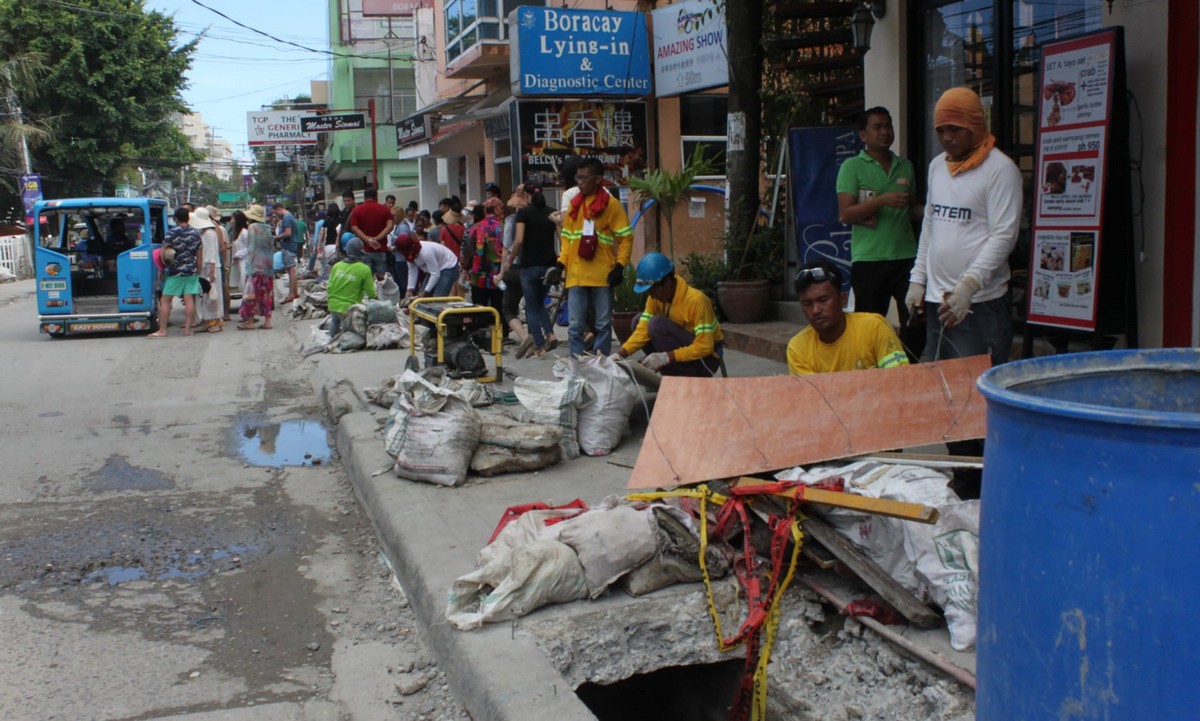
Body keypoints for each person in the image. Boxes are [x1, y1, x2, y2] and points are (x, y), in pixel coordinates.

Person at [905, 86, 1023, 366]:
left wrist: (969, 286)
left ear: (975, 125)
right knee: (943, 389)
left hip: (980, 304)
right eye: (940, 130)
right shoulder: (937, 167)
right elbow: (931, 225)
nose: (946, 137)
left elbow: (1004, 235)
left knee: (976, 392)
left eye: (955, 129)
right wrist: (918, 279)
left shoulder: (1000, 170)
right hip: (937, 302)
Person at [836, 106, 923, 358]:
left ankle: (908, 368)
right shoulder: (852, 167)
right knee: (869, 325)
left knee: (916, 321)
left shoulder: (905, 166)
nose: (885, 131)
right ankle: (872, 371)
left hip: (907, 256)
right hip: (869, 260)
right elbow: (846, 214)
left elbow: (912, 207)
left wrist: (932, 213)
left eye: (889, 125)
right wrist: (881, 201)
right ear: (863, 135)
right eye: (878, 127)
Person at [546, 157, 633, 357]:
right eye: (578, 177)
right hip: (576, 275)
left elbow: (626, 238)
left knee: (603, 324)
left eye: (584, 178)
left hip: (602, 275)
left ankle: (600, 363)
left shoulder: (611, 206)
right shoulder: (575, 206)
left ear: (597, 179)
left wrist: (620, 265)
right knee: (575, 326)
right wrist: (560, 265)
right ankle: (576, 365)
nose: (579, 182)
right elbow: (567, 239)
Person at [612, 253, 725, 376]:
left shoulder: (696, 301)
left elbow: (705, 346)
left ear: (666, 281)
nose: (651, 295)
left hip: (706, 360)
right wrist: (619, 354)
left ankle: (681, 378)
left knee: (656, 324)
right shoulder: (654, 299)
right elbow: (642, 329)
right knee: (638, 321)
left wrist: (668, 357)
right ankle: (669, 372)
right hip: (684, 353)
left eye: (653, 290)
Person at [787, 263, 909, 375]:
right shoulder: (797, 348)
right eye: (807, 303)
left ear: (843, 299)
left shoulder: (874, 327)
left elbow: (899, 380)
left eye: (823, 300)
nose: (816, 310)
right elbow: (811, 396)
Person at [501, 182, 561, 358]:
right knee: (540, 302)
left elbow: (519, 240)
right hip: (549, 264)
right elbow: (561, 237)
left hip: (529, 267)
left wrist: (510, 259)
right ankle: (550, 334)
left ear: (526, 195)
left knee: (531, 307)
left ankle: (540, 345)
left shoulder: (524, 214)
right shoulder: (552, 212)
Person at [148, 206, 202, 338]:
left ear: (176, 219)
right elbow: (199, 255)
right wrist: (198, 271)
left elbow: (164, 254)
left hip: (175, 271)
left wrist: (161, 270)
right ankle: (188, 330)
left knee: (165, 300)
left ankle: (162, 330)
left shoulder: (171, 233)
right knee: (189, 299)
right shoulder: (196, 233)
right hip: (191, 270)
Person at [326, 237, 376, 337]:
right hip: (350, 308)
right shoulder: (364, 269)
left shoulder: (337, 266)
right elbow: (371, 293)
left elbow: (330, 286)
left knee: (335, 320)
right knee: (350, 330)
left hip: (332, 305)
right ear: (361, 252)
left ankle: (331, 339)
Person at [461, 200, 504, 316]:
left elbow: (469, 250)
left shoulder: (476, 227)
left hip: (478, 275)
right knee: (499, 308)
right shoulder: (503, 227)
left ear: (485, 210)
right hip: (499, 274)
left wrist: (465, 269)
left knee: (479, 308)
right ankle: (501, 332)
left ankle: (479, 332)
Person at [238, 204, 277, 330]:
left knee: (251, 294)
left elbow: (251, 247)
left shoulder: (252, 227)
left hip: (255, 265)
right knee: (266, 294)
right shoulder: (267, 228)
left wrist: (249, 266)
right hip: (268, 265)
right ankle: (268, 321)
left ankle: (249, 322)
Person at [348, 187, 394, 279]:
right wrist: (377, 238)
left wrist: (367, 239)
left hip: (364, 249)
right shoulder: (385, 209)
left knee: (366, 278)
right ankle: (380, 293)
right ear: (376, 197)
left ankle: (369, 293)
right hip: (380, 249)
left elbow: (354, 227)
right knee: (381, 279)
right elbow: (390, 225)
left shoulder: (357, 210)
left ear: (364, 197)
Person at [394, 234, 461, 298]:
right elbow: (412, 271)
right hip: (434, 269)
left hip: (449, 266)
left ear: (405, 250)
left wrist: (426, 292)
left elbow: (435, 274)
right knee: (421, 295)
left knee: (438, 298)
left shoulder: (425, 252)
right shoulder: (409, 255)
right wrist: (409, 290)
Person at [192, 207, 224, 332]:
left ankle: (215, 321)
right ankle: (208, 320)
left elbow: (211, 253)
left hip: (210, 268)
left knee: (212, 296)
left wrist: (211, 271)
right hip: (206, 267)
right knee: (207, 296)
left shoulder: (209, 234)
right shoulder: (205, 232)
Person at [271, 203, 300, 304]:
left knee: (290, 270)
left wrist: (276, 237)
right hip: (291, 246)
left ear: (279, 209)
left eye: (275, 213)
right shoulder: (289, 216)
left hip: (289, 247)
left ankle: (291, 294)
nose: (276, 216)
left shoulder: (286, 218)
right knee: (291, 270)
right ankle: (295, 292)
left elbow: (288, 233)